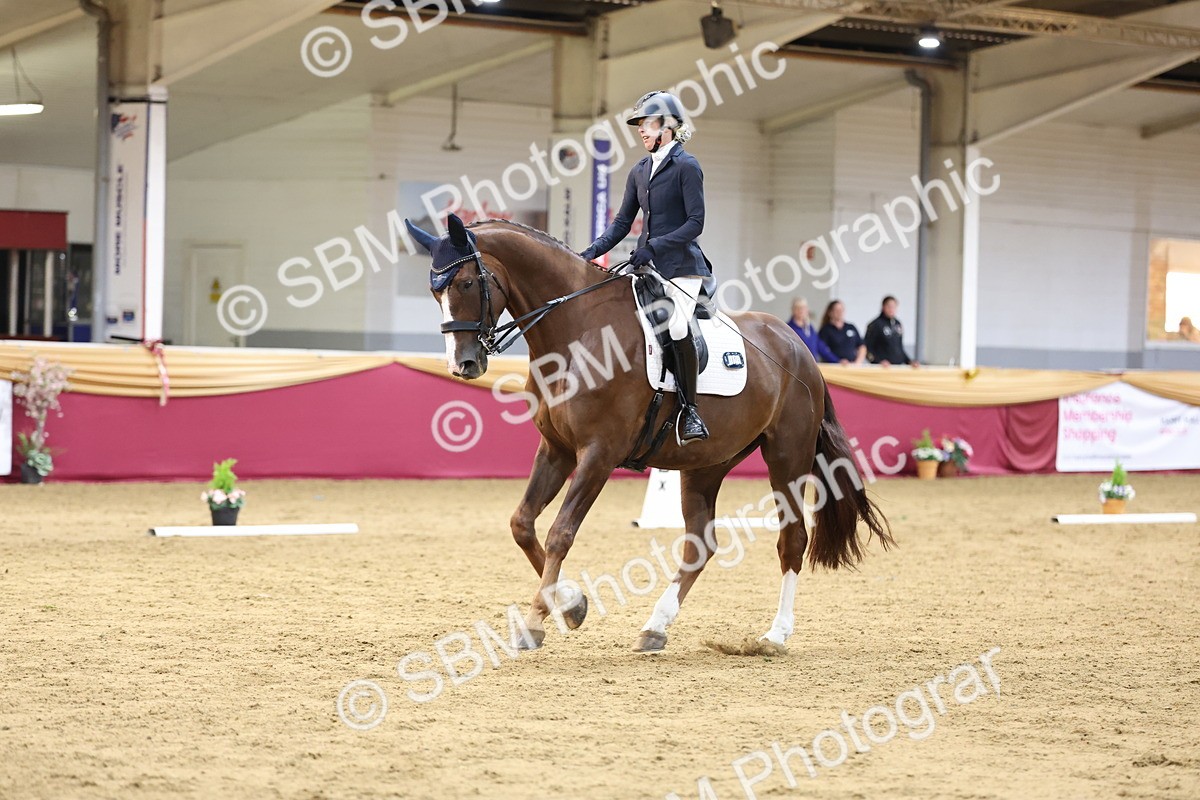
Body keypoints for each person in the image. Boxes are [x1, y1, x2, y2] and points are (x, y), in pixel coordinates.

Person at [580, 90, 711, 444]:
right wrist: (590, 252)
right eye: (639, 124)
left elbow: (695, 223)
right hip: (648, 267)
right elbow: (622, 223)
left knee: (678, 326)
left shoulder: (687, 166)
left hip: (682, 267)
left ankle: (690, 410)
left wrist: (653, 247)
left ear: (667, 127)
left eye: (647, 123)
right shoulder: (639, 170)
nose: (640, 129)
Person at [864, 295, 919, 367]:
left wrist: (909, 361)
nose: (891, 309)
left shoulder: (898, 324)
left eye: (894, 307)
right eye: (889, 306)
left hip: (897, 367)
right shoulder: (875, 325)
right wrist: (878, 361)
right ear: (883, 307)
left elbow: (899, 349)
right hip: (882, 368)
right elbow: (866, 349)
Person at [786, 298, 837, 363]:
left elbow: (820, 346)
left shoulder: (810, 328)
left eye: (803, 308)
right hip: (797, 365)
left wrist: (837, 360)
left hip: (812, 365)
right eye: (798, 308)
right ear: (793, 310)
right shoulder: (788, 328)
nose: (801, 310)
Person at [818, 299, 866, 365]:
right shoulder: (825, 330)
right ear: (830, 312)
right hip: (834, 365)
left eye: (841, 310)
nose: (840, 312)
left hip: (851, 365)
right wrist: (837, 361)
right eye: (837, 310)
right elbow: (823, 349)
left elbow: (862, 346)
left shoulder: (851, 327)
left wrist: (857, 362)